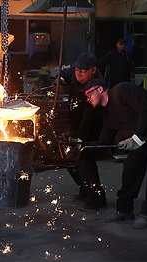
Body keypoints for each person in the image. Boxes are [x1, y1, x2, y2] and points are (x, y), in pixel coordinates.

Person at [82, 78, 147, 229]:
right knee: (131, 167)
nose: (87, 98)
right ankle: (124, 210)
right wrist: (82, 146)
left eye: (89, 94)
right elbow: (105, 139)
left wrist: (137, 138)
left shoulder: (122, 90)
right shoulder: (108, 112)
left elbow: (145, 110)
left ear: (100, 89)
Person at [58, 53, 107, 211]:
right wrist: (60, 80)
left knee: (84, 160)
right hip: (78, 125)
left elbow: (88, 120)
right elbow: (66, 72)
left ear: (93, 70)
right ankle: (85, 189)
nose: (78, 73)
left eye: (82, 70)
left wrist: (76, 136)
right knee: (68, 158)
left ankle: (97, 199)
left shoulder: (95, 87)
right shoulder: (77, 74)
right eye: (77, 69)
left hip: (92, 130)